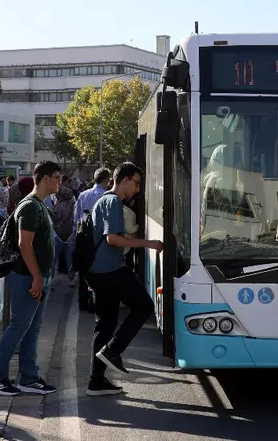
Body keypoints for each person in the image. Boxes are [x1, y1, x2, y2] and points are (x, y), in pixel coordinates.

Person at [86, 162, 162, 396]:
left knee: (106, 324)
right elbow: (113, 239)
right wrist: (148, 243)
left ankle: (96, 381)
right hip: (109, 270)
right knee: (144, 305)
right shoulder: (111, 202)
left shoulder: (105, 201)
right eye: (137, 183)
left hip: (98, 272)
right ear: (126, 179)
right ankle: (113, 351)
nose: (137, 189)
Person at [0, 161, 61, 397]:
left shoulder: (40, 205)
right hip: (26, 277)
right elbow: (25, 244)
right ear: (44, 179)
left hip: (37, 277)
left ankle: (29, 377)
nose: (59, 182)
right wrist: (35, 277)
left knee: (31, 330)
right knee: (19, 327)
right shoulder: (30, 207)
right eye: (56, 177)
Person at [72, 168, 111, 311]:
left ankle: (83, 301)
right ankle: (95, 302)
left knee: (84, 272)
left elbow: (76, 218)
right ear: (106, 179)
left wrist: (75, 236)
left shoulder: (83, 195)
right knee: (99, 271)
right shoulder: (107, 196)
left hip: (83, 238)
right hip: (100, 239)